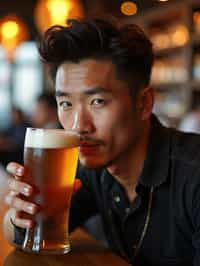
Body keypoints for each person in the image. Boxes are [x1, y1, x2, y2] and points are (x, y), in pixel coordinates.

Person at [3, 18, 200, 266]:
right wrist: (19, 213)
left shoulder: (192, 175)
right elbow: (23, 236)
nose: (77, 126)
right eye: (66, 103)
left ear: (143, 103)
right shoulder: (91, 171)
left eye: (97, 101)